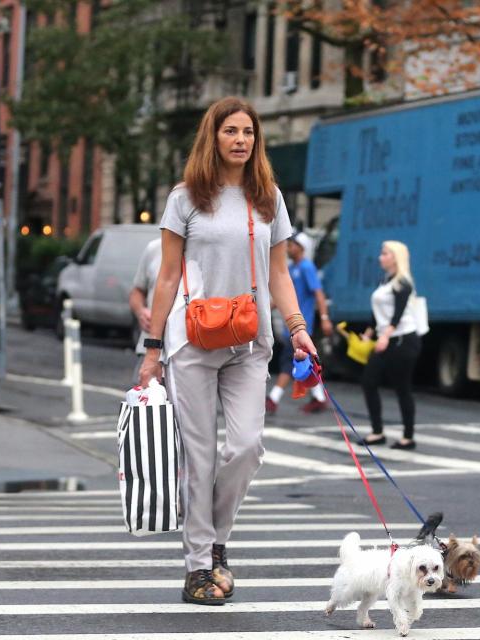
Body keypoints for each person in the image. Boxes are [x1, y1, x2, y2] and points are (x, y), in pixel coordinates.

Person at [137, 97, 317, 606]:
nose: (241, 140)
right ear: (212, 137)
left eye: (248, 133)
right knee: (197, 457)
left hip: (250, 339)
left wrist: (297, 328)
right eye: (230, 131)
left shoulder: (269, 198)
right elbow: (167, 274)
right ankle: (198, 566)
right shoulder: (185, 197)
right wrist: (152, 349)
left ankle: (217, 540)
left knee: (245, 447)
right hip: (191, 338)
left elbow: (280, 272)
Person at [361, 241, 422, 450]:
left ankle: (408, 436)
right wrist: (369, 332)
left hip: (403, 340)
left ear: (395, 257)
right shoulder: (385, 281)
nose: (380, 257)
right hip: (385, 339)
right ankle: (377, 431)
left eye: (384, 253)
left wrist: (385, 337)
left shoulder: (403, 283)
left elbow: (396, 315)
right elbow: (378, 313)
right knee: (369, 382)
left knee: (402, 388)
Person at [265, 231, 333, 414]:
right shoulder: (292, 268)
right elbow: (283, 296)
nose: (288, 247)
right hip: (291, 326)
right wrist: (262, 310)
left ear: (302, 248)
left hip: (302, 326)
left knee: (289, 361)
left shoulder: (306, 267)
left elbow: (318, 293)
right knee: (302, 362)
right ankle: (319, 397)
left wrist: (325, 318)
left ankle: (273, 398)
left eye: (292, 244)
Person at [128, 237, 162, 385]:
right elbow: (137, 291)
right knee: (142, 405)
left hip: (189, 354)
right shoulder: (154, 248)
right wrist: (141, 311)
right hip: (149, 346)